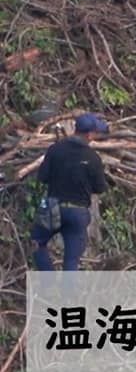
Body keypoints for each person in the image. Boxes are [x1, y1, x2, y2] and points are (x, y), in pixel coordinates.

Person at [30, 112, 109, 271]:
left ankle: (48, 283)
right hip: (78, 212)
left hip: (52, 206)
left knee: (36, 242)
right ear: (89, 135)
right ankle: (67, 296)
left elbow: (43, 177)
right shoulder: (93, 158)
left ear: (75, 129)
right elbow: (100, 188)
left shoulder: (55, 150)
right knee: (71, 261)